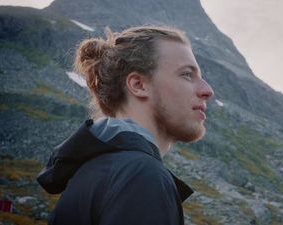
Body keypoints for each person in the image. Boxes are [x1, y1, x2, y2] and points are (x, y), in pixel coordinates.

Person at [37, 25, 214, 225]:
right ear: (138, 85)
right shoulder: (141, 176)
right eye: (186, 74)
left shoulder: (94, 172)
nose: (207, 90)